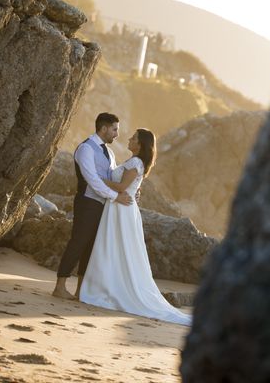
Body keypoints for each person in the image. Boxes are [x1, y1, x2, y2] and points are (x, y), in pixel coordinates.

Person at [79, 128, 192, 326]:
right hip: (120, 207)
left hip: (121, 209)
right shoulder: (136, 162)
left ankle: (107, 289)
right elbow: (129, 187)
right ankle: (105, 286)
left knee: (115, 248)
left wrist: (95, 179)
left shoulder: (135, 162)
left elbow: (122, 187)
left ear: (139, 144)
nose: (129, 140)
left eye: (133, 138)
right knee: (115, 249)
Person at [52, 113, 133, 300]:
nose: (116, 134)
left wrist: (128, 191)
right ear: (103, 128)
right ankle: (60, 286)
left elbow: (112, 178)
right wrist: (116, 197)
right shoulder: (86, 148)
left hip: (103, 205)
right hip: (87, 202)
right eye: (114, 129)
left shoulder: (110, 153)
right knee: (78, 242)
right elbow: (93, 181)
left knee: (90, 247)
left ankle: (81, 291)